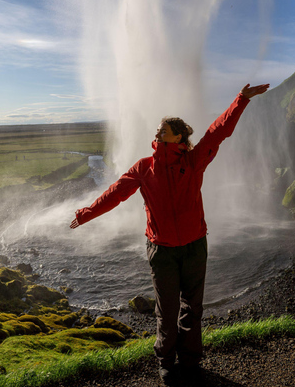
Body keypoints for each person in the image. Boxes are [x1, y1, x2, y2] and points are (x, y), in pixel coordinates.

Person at [70, 83, 270, 385]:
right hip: (161, 249)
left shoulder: (193, 161)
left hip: (194, 246)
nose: (156, 134)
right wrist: (85, 214)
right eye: (157, 131)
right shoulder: (144, 167)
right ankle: (165, 363)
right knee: (167, 311)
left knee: (193, 308)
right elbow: (115, 194)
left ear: (178, 136)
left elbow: (218, 132)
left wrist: (241, 99)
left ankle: (190, 363)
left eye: (162, 130)